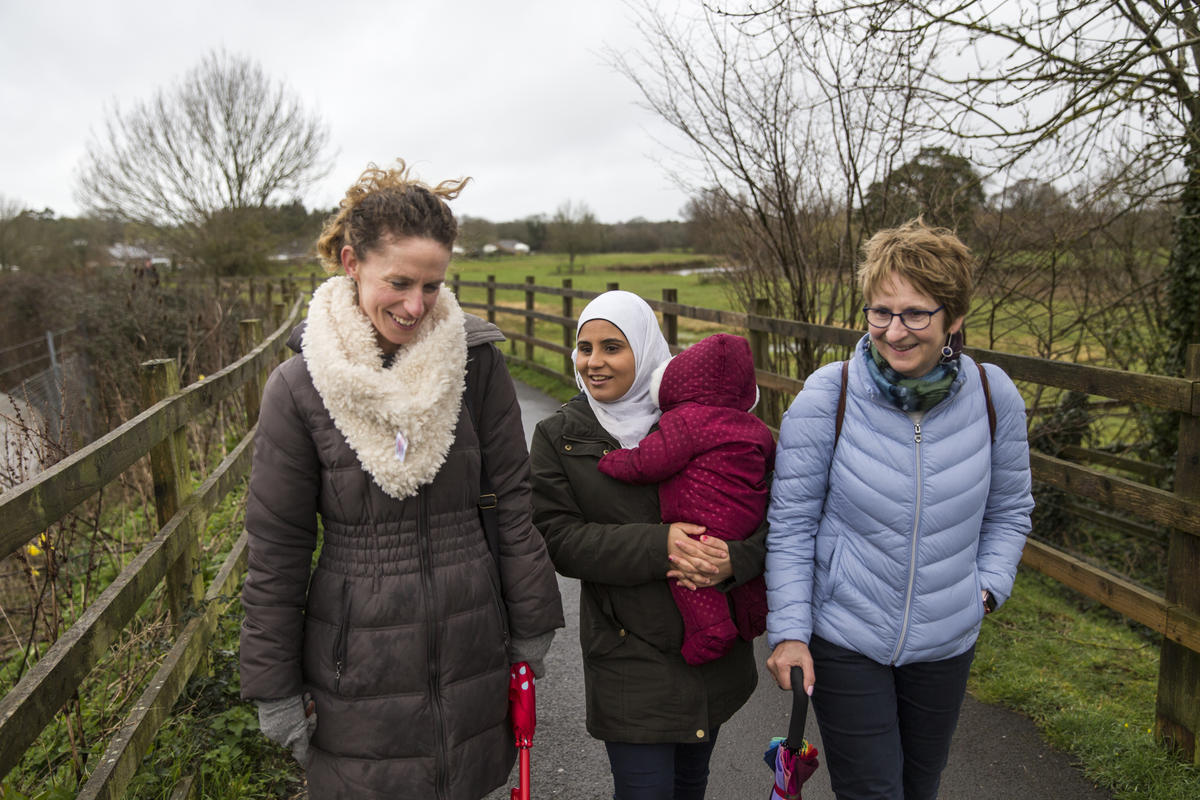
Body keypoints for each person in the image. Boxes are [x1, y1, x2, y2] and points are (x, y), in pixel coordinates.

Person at [239, 160, 564, 800]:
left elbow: (512, 502)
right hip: (356, 666)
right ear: (351, 260)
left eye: (433, 286)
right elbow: (276, 549)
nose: (416, 306)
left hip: (473, 642)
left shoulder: (477, 365)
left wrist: (530, 624)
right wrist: (275, 689)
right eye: (399, 282)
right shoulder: (299, 388)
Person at [765, 218, 1034, 800]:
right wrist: (789, 632)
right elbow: (789, 525)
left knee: (920, 787)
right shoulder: (826, 396)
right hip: (846, 634)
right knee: (872, 791)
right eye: (880, 312)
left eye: (916, 313)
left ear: (954, 318)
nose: (895, 331)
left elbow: (1011, 510)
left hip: (947, 638)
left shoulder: (994, 396)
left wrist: (985, 590)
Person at [530, 291, 764, 800]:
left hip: (711, 648)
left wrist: (735, 561)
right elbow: (560, 539)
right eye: (584, 347)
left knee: (689, 786)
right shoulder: (559, 436)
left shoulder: (698, 417)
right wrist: (664, 546)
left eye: (612, 347)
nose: (594, 362)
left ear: (646, 349)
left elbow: (770, 512)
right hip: (627, 648)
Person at [597, 332, 775, 665]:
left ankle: (711, 632)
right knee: (739, 576)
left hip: (702, 520)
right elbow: (770, 463)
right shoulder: (754, 426)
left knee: (691, 573)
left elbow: (650, 462)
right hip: (746, 516)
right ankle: (755, 612)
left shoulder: (684, 421)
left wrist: (613, 460)